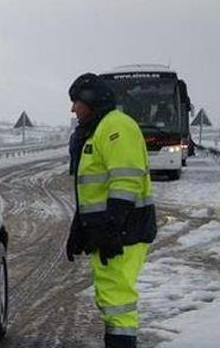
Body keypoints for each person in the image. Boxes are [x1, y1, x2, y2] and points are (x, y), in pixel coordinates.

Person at [66, 73, 156, 348]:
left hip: (123, 234)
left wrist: (112, 227)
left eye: (76, 102)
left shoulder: (116, 127)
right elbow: (92, 191)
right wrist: (78, 228)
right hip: (110, 232)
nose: (72, 109)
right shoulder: (98, 129)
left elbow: (126, 181)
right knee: (111, 299)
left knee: (118, 302)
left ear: (92, 100)